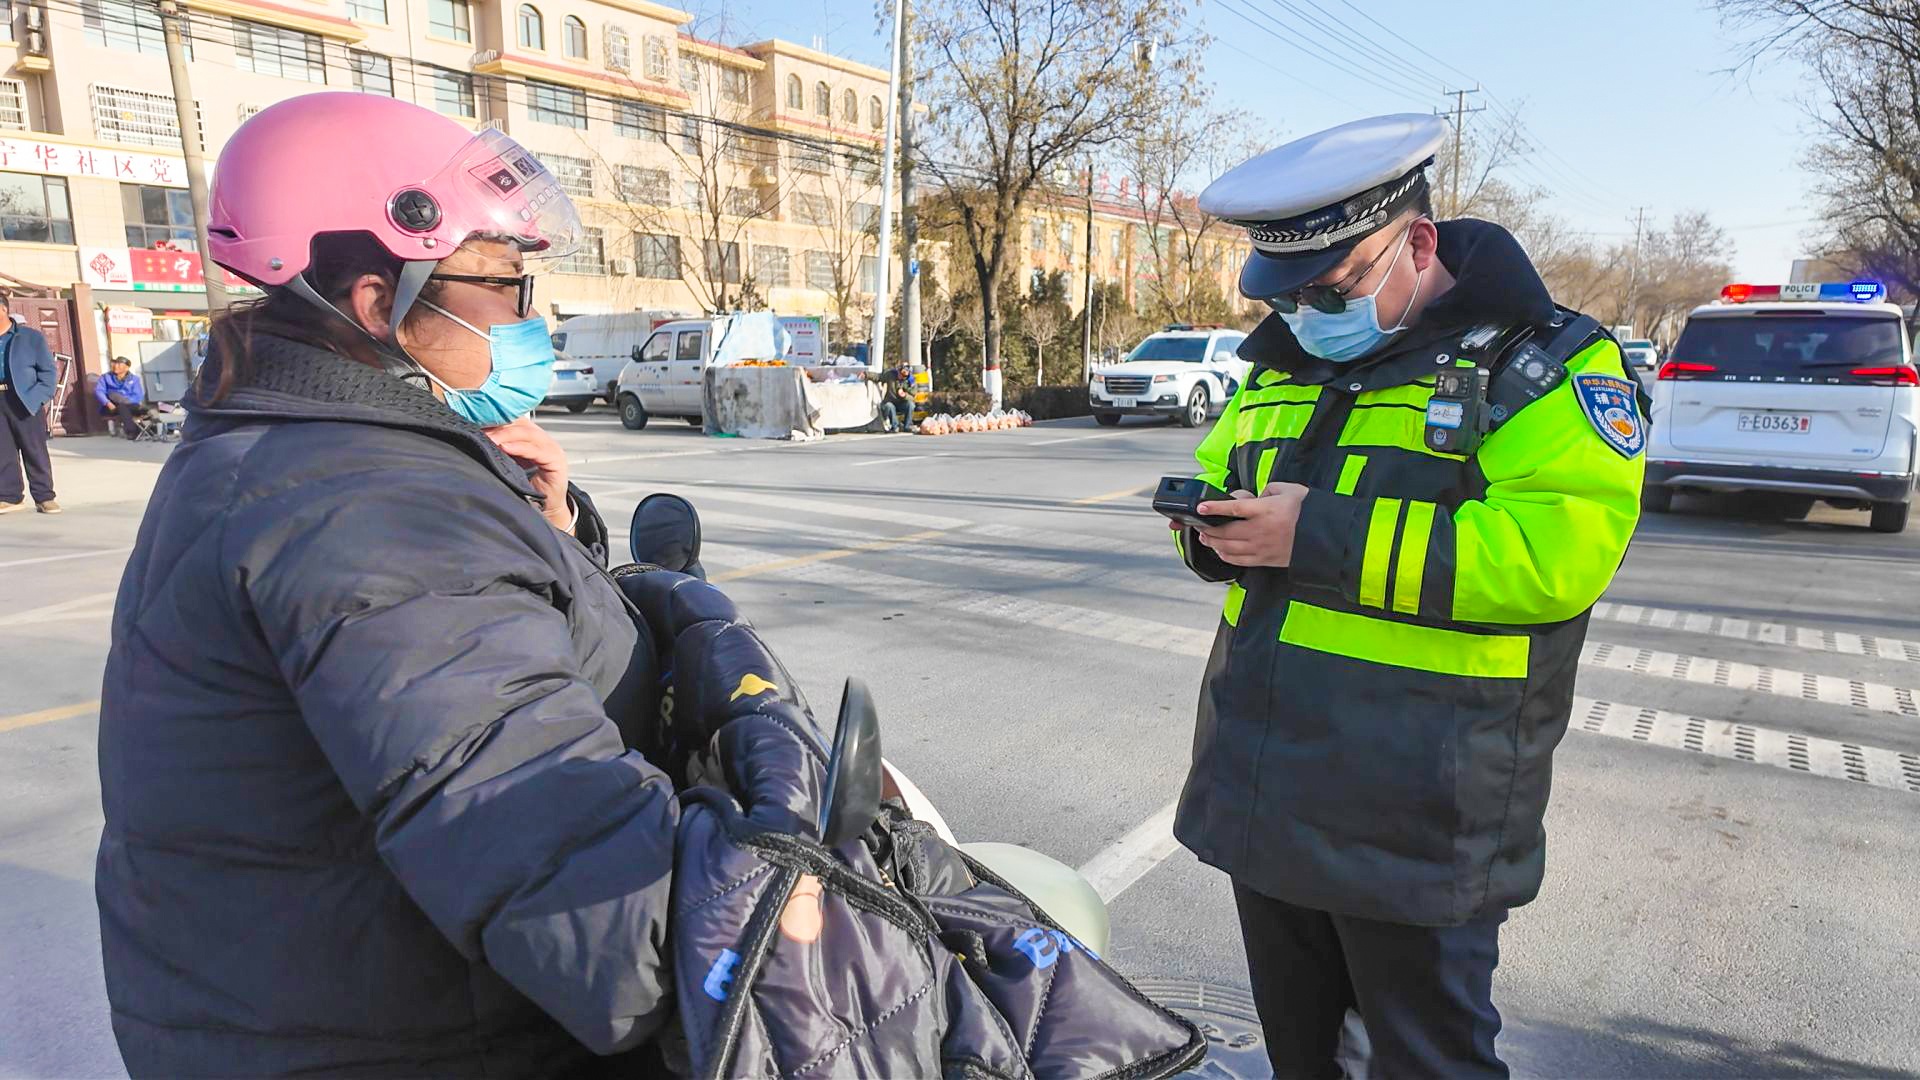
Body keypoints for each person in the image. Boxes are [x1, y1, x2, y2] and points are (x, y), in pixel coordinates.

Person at [94, 93, 821, 1077]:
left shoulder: (297, 447)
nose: (531, 316)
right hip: (421, 1036)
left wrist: (549, 540)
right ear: (376, 302)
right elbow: (613, 924)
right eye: (505, 283)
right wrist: (790, 912)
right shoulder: (372, 511)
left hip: (340, 997)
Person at [1170, 114, 1645, 1078]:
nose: (1306, 311)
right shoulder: (1279, 364)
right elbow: (1222, 473)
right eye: (1287, 291)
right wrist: (1210, 536)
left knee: (1428, 1061)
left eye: (1332, 285)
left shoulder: (1545, 364)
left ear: (1415, 242)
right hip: (1269, 789)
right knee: (1305, 1058)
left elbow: (1553, 559)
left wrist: (1316, 537)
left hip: (1422, 810)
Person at [0, 293, 60, 514]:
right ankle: (9, 496)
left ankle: (44, 497)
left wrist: (38, 397)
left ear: (4, 309)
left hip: (25, 399)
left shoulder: (29, 337)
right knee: (2, 451)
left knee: (34, 450)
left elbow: (48, 372)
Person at [95, 355, 150, 439]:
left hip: (130, 404)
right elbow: (99, 391)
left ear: (126, 368)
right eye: (115, 364)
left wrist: (126, 401)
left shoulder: (134, 379)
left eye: (119, 364)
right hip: (111, 406)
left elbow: (138, 395)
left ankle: (134, 430)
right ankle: (134, 431)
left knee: (123, 407)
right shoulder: (106, 377)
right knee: (115, 397)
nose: (116, 366)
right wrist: (107, 403)